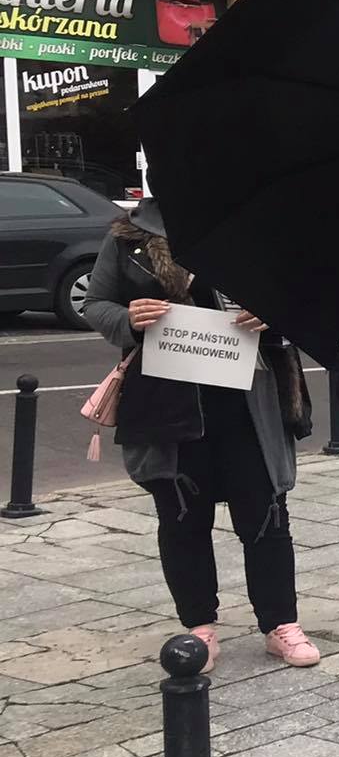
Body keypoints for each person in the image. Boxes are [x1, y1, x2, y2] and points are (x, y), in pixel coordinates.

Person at [81, 200, 320, 671]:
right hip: (168, 402)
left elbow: (304, 298)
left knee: (267, 512)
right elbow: (95, 303)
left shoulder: (258, 227)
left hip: (252, 399)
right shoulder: (130, 235)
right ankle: (199, 627)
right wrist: (129, 318)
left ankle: (280, 624)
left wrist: (275, 313)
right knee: (182, 516)